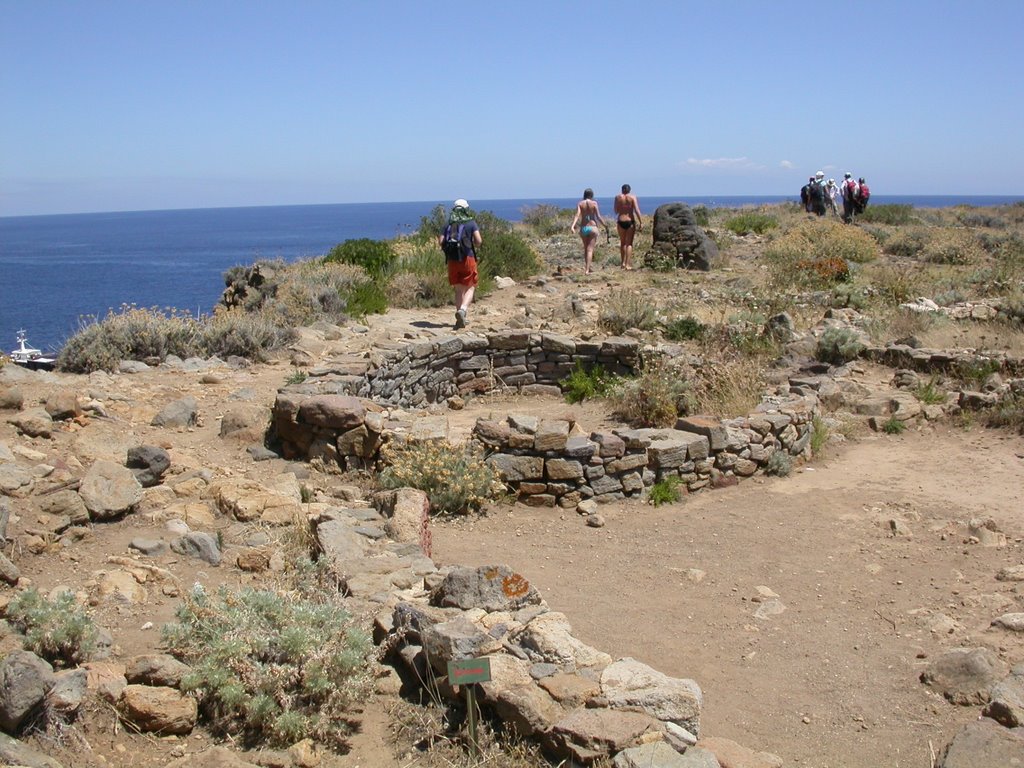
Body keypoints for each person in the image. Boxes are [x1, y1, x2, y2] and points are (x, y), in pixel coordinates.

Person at [438, 199, 482, 329]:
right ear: (466, 209)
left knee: (458, 289)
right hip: (467, 258)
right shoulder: (471, 223)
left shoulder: (448, 224)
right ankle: (462, 310)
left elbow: (441, 241)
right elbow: (479, 241)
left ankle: (460, 320)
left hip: (452, 260)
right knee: (471, 286)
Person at [570, 188, 606, 275]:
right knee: (590, 249)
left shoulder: (580, 203)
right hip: (592, 227)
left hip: (584, 228)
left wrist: (573, 226)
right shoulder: (594, 203)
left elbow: (577, 215)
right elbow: (598, 216)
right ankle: (587, 270)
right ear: (591, 195)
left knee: (586, 248)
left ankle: (588, 267)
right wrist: (605, 225)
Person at [613, 184, 642, 270]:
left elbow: (615, 211)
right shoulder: (632, 197)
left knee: (622, 243)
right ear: (629, 190)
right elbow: (636, 210)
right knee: (629, 243)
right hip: (630, 221)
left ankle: (622, 263)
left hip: (621, 221)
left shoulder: (617, 197)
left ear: (622, 190)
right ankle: (627, 264)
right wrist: (641, 222)